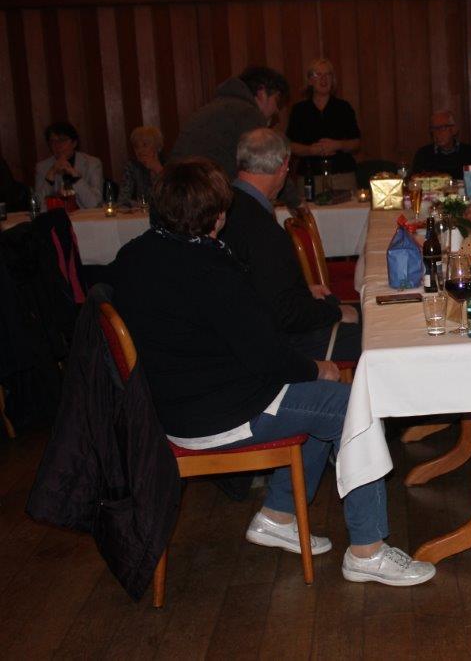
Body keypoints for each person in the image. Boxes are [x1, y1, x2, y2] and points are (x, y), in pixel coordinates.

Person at [111, 157, 434, 586]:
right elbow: (265, 357)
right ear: (217, 214)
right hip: (219, 414)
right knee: (352, 405)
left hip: (167, 410)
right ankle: (368, 550)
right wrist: (317, 368)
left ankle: (278, 515)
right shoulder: (210, 270)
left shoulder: (133, 256)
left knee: (316, 400)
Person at [218, 128, 361, 362]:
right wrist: (334, 312)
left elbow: (259, 286)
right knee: (377, 333)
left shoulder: (225, 207)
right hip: (279, 345)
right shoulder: (260, 227)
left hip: (245, 334)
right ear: (284, 166)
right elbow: (286, 314)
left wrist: (302, 292)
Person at [170, 66, 290, 190]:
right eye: (277, 100)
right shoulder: (248, 113)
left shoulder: (216, 107)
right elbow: (270, 165)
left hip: (177, 187)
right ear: (262, 93)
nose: (277, 110)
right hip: (200, 190)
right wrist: (295, 200)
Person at [286, 58, 361, 190]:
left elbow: (356, 143)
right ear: (310, 80)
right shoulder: (299, 110)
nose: (324, 79)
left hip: (342, 175)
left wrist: (339, 145)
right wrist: (310, 150)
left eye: (328, 74)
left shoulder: (344, 108)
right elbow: (289, 145)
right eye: (318, 75)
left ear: (333, 80)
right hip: (309, 176)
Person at [34, 121, 103, 208]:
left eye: (62, 140)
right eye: (52, 141)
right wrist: (50, 175)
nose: (57, 145)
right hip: (57, 216)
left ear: (74, 143)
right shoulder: (42, 167)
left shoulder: (92, 164)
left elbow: (95, 204)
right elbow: (37, 206)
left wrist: (75, 176)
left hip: (85, 215)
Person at [410, 110, 471, 181]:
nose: (437, 133)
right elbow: (414, 181)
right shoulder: (423, 154)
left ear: (454, 130)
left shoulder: (470, 153)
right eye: (434, 129)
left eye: (443, 128)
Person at [118, 126, 164, 207]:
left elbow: (174, 197)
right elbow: (122, 199)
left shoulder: (169, 164)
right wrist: (138, 205)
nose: (140, 150)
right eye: (136, 146)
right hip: (140, 213)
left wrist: (157, 169)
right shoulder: (132, 167)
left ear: (157, 147)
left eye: (145, 145)